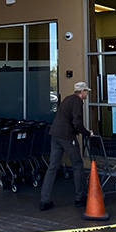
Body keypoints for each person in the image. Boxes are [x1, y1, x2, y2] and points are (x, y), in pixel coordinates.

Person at [38, 80, 93, 211]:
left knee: (52, 166)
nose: (87, 94)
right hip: (67, 137)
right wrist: (86, 133)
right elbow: (77, 122)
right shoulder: (78, 102)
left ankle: (44, 200)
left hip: (55, 135)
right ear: (81, 92)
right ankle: (80, 197)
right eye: (86, 91)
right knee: (78, 165)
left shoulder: (67, 99)